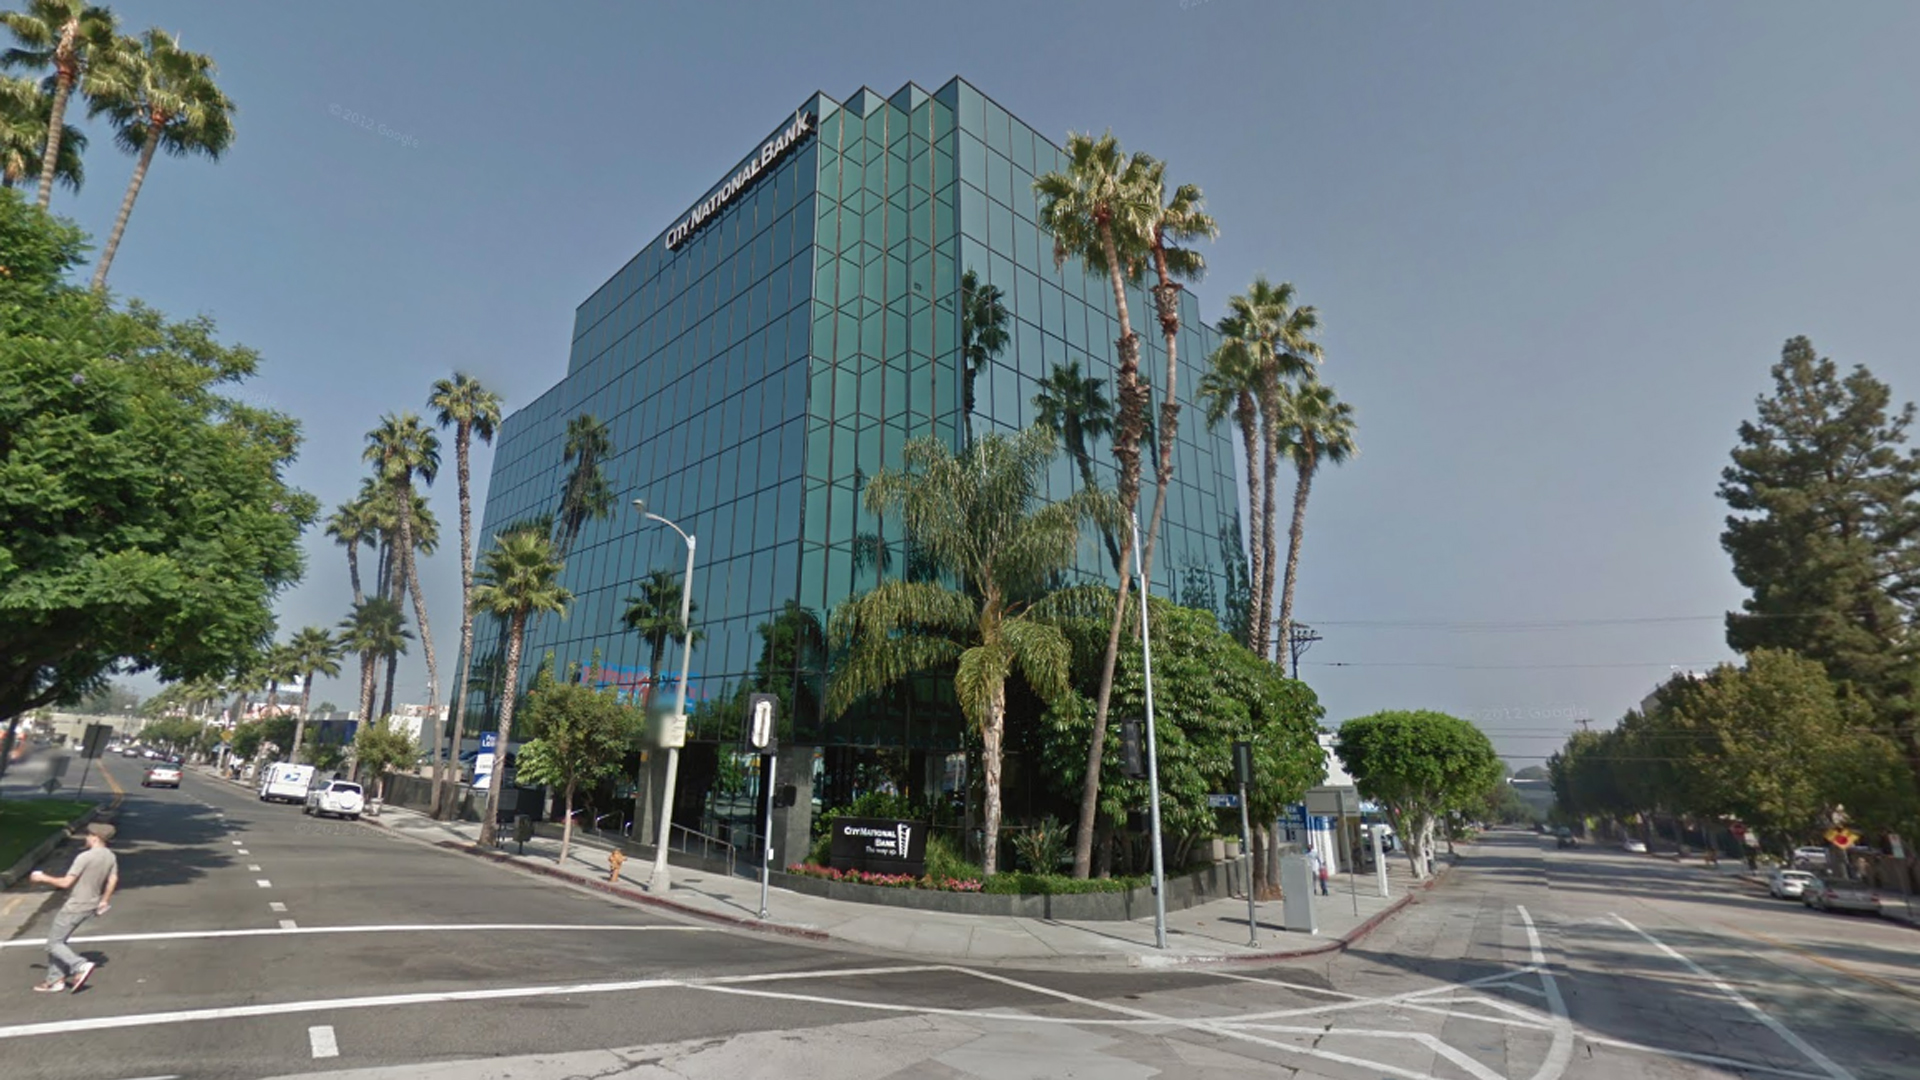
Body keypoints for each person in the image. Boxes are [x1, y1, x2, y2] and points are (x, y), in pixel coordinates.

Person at [27, 822, 118, 993]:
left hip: (75, 906)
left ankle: (80, 965)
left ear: (96, 837)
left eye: (89, 835)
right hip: (91, 905)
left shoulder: (85, 857)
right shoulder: (110, 856)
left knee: (53, 944)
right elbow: (113, 879)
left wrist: (42, 877)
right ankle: (55, 980)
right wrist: (104, 900)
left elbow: (66, 882)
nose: (86, 837)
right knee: (59, 941)